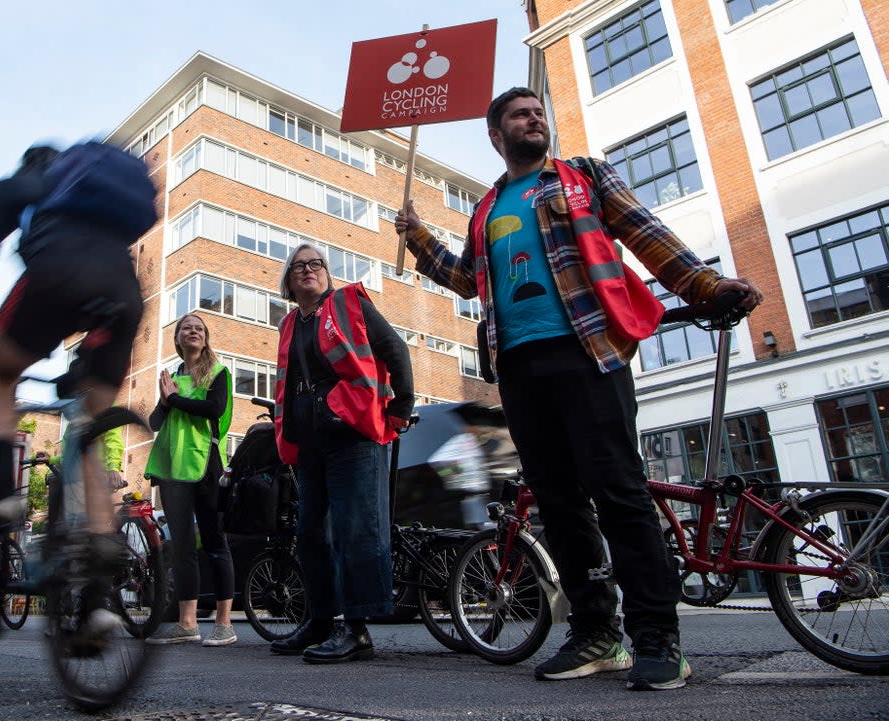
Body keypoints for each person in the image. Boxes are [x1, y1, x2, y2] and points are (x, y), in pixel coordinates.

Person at [394, 86, 763, 690]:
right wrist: (417, 238)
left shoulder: (583, 176)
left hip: (589, 351)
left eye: (539, 112)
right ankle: (595, 633)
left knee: (617, 491)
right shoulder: (486, 208)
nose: (534, 119)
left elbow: (646, 233)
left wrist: (702, 285)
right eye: (520, 114)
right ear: (496, 134)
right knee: (558, 504)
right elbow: (466, 280)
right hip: (517, 366)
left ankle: (656, 636)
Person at [0, 142, 150, 565]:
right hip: (122, 290)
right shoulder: (93, 191)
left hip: (55, 275)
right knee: (91, 420)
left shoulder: (20, 186)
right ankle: (98, 560)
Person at [268, 243, 414, 663]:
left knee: (356, 528)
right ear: (289, 283)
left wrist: (400, 410)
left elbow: (395, 349)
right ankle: (319, 620)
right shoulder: (290, 324)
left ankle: (356, 628)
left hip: (353, 433)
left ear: (327, 274)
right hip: (310, 441)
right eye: (298, 266)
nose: (307, 270)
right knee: (310, 533)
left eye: (315, 264)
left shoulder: (349, 302)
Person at [143, 313, 237, 647]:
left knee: (213, 540)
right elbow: (155, 421)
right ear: (178, 339)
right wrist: (166, 401)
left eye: (198, 328)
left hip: (205, 463)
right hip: (172, 467)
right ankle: (187, 623)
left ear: (205, 337)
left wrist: (174, 400)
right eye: (187, 328)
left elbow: (214, 409)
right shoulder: (171, 377)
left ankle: (224, 624)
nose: (193, 331)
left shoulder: (218, 372)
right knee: (182, 547)